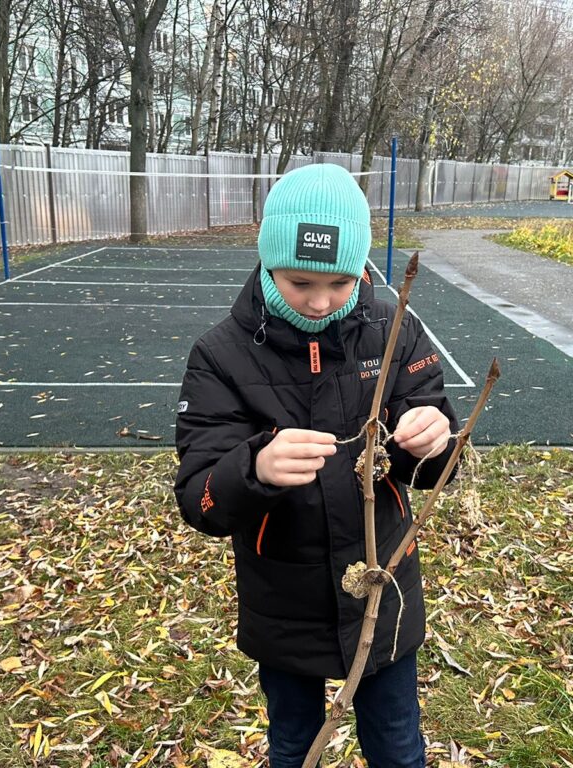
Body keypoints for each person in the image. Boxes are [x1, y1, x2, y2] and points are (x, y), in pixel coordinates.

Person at [174, 163, 459, 768]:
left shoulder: (394, 332)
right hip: (283, 596)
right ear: (267, 261)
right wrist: (254, 467)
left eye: (341, 281)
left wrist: (434, 441)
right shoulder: (220, 355)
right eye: (300, 281)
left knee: (397, 744)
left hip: (383, 585)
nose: (321, 301)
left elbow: (438, 458)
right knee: (295, 745)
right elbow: (199, 497)